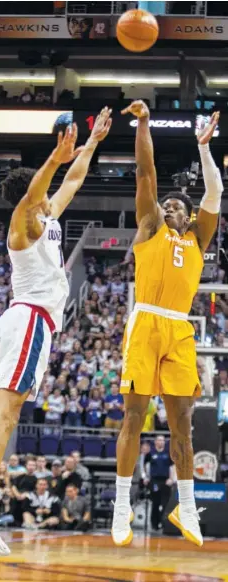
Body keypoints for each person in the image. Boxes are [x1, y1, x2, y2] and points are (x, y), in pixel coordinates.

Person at [0, 107, 112, 571]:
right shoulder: (24, 222)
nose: (52, 193)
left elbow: (73, 182)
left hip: (14, 324)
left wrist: (89, 146)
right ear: (31, 195)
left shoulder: (47, 219)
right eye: (44, 189)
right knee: (6, 416)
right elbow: (40, 190)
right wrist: (55, 156)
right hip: (30, 323)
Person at [112, 101, 223, 548]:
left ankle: (186, 504)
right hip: (146, 321)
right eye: (167, 203)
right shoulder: (151, 225)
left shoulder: (198, 235)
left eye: (178, 206)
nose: (170, 206)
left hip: (179, 328)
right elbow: (145, 172)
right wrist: (142, 124)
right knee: (135, 416)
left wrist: (204, 149)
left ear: (189, 216)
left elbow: (215, 193)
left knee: (183, 423)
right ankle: (122, 504)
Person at [143, 435, 175, 531]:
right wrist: (145, 477)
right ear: (156, 442)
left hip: (165, 481)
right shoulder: (150, 454)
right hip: (155, 481)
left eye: (163, 441)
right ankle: (154, 524)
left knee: (165, 503)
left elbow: (172, 467)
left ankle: (164, 523)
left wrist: (171, 478)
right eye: (160, 440)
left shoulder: (168, 454)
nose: (162, 442)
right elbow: (144, 466)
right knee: (155, 503)